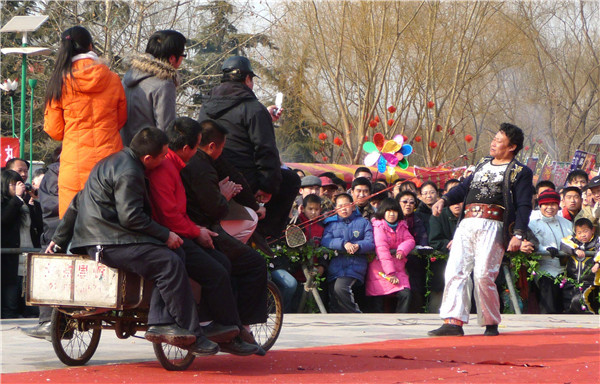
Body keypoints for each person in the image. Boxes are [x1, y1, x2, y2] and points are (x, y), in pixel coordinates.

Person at [47, 128, 219, 356]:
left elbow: (77, 201)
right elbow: (131, 216)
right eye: (162, 156)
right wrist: (165, 234)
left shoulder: (108, 162)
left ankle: (160, 320)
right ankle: (192, 334)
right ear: (148, 158)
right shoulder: (130, 171)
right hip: (110, 241)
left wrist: (59, 240)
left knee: (172, 256)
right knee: (169, 262)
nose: (163, 161)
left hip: (101, 238)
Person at [146, 117, 258, 355]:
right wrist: (197, 231)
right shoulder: (168, 169)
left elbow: (178, 213)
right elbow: (170, 216)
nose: (198, 152)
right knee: (218, 269)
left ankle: (227, 328)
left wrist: (198, 230)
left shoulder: (176, 167)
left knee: (221, 263)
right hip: (169, 235)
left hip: (181, 230)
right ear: (187, 148)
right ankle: (221, 329)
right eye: (196, 147)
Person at [429, 123, 533, 337]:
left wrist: (519, 234)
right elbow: (463, 188)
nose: (493, 143)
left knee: (484, 274)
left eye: (499, 140)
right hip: (467, 223)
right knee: (455, 270)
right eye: (493, 138)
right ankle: (453, 321)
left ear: (512, 146)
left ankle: (490, 321)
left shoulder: (520, 172)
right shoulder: (482, 164)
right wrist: (444, 199)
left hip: (494, 225)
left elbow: (524, 205)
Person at [180, 119, 268, 350]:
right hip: (198, 230)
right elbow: (213, 208)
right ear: (209, 145)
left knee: (233, 258)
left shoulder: (193, 163)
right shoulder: (201, 166)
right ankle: (240, 327)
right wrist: (224, 196)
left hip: (195, 227)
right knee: (253, 262)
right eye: (221, 147)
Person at [197, 55, 300, 240]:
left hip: (209, 171)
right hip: (244, 177)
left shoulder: (206, 107)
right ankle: (266, 235)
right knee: (291, 180)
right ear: (247, 79)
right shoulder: (253, 108)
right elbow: (265, 150)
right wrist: (267, 186)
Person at [43, 26, 126, 218]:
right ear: (90, 46)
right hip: (110, 161)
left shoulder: (59, 82)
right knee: (110, 222)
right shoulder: (112, 78)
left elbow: (54, 130)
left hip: (75, 163)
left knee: (74, 225)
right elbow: (121, 119)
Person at [121, 30, 186, 145]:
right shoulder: (164, 84)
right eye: (182, 55)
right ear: (172, 58)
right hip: (148, 153)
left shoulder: (127, 76)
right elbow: (166, 130)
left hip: (122, 151)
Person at [23, 146, 61, 339]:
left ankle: (47, 322)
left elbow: (53, 208)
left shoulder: (55, 172)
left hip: (58, 233)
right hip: (80, 229)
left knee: (46, 271)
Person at [322, 193, 375, 313]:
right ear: (335, 209)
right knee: (334, 299)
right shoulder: (331, 224)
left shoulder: (363, 222)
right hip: (335, 266)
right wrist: (343, 244)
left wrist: (358, 246)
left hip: (355, 264)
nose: (343, 208)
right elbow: (326, 241)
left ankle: (356, 313)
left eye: (346, 205)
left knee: (341, 288)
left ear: (353, 206)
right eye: (340, 206)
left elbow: (370, 242)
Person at [1, 170, 43, 319]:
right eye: (14, 184)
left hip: (29, 260)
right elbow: (4, 220)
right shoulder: (6, 203)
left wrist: (36, 202)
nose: (19, 186)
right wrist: (18, 198)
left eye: (20, 183)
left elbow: (40, 226)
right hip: (10, 263)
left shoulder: (25, 203)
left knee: (32, 308)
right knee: (10, 306)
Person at [366, 198, 415, 313]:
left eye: (394, 211)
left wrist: (402, 250)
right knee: (378, 301)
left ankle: (401, 321)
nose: (392, 214)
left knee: (405, 294)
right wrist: (390, 273)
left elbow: (410, 240)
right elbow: (382, 249)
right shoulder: (378, 227)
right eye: (388, 211)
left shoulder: (402, 226)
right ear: (383, 212)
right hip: (380, 270)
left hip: (399, 268)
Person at [527, 189, 573, 314]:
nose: (549, 208)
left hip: (567, 272)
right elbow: (534, 244)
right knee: (549, 308)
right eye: (546, 204)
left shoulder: (568, 224)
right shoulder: (533, 224)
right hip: (545, 271)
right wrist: (545, 249)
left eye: (553, 204)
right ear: (540, 205)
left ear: (558, 205)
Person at [428, 185, 463, 313]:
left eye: (460, 200)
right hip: (442, 262)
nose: (457, 204)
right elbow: (434, 240)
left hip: (465, 263)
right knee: (439, 294)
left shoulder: (469, 216)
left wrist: (460, 242)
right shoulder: (439, 215)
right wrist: (448, 244)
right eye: (453, 201)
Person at [396, 190, 429, 312]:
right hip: (396, 259)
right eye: (404, 202)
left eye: (411, 202)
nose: (408, 205)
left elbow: (423, 239)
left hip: (414, 260)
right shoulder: (393, 218)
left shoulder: (418, 220)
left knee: (415, 289)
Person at [560, 218, 600, 313]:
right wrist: (575, 250)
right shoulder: (573, 240)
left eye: (586, 231)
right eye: (579, 232)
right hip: (571, 281)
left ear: (592, 230)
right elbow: (564, 243)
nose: (583, 235)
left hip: (590, 283)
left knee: (580, 302)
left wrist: (597, 263)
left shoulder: (597, 240)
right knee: (568, 306)